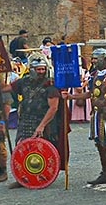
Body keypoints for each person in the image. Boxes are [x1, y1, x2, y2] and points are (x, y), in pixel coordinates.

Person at [65, 48, 106, 186]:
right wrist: (72, 96)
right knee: (100, 144)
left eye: (96, 59)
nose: (93, 61)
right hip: (97, 115)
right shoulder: (94, 75)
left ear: (104, 59)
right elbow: (90, 94)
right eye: (92, 59)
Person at [8, 53, 64, 188]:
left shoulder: (50, 85)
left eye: (43, 69)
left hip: (44, 122)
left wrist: (41, 126)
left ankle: (42, 178)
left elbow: (53, 108)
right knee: (22, 150)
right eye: (38, 69)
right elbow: (6, 88)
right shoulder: (24, 81)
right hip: (25, 120)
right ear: (31, 69)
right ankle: (22, 177)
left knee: (42, 152)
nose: (41, 72)